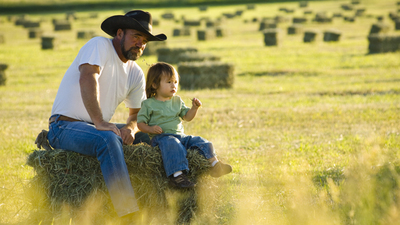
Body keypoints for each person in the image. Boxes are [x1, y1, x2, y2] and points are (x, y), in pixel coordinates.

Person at [46, 10, 167, 219]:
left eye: (145, 40)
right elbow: (88, 78)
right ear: (119, 33)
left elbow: (136, 115)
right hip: (63, 127)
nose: (140, 44)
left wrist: (130, 128)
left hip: (94, 128)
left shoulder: (135, 73)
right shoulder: (99, 45)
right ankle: (127, 213)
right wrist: (100, 121)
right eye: (136, 36)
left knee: (154, 133)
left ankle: (174, 189)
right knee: (108, 138)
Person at [137, 62, 232, 188]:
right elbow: (140, 123)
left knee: (201, 141)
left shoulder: (177, 101)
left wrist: (194, 108)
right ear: (154, 84)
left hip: (180, 137)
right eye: (169, 82)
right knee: (173, 144)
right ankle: (177, 176)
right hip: (162, 139)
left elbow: (187, 117)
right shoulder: (148, 104)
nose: (174, 85)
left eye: (175, 82)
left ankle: (215, 165)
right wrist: (150, 129)